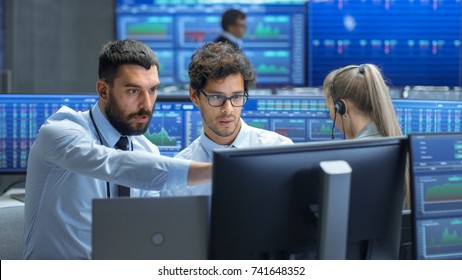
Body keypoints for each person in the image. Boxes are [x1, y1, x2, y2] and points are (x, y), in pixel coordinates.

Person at [23, 39, 212, 259]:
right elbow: (113, 164)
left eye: (152, 90)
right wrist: (212, 171)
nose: (146, 104)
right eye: (133, 91)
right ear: (103, 90)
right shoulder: (60, 131)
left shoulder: (147, 150)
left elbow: (149, 234)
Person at [163, 42, 293, 196]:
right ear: (194, 96)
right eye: (217, 97)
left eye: (237, 97)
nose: (228, 110)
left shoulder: (278, 151)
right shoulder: (179, 175)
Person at [322, 63, 410, 208]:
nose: (330, 115)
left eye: (329, 108)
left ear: (342, 107)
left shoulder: (347, 163)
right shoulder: (399, 149)